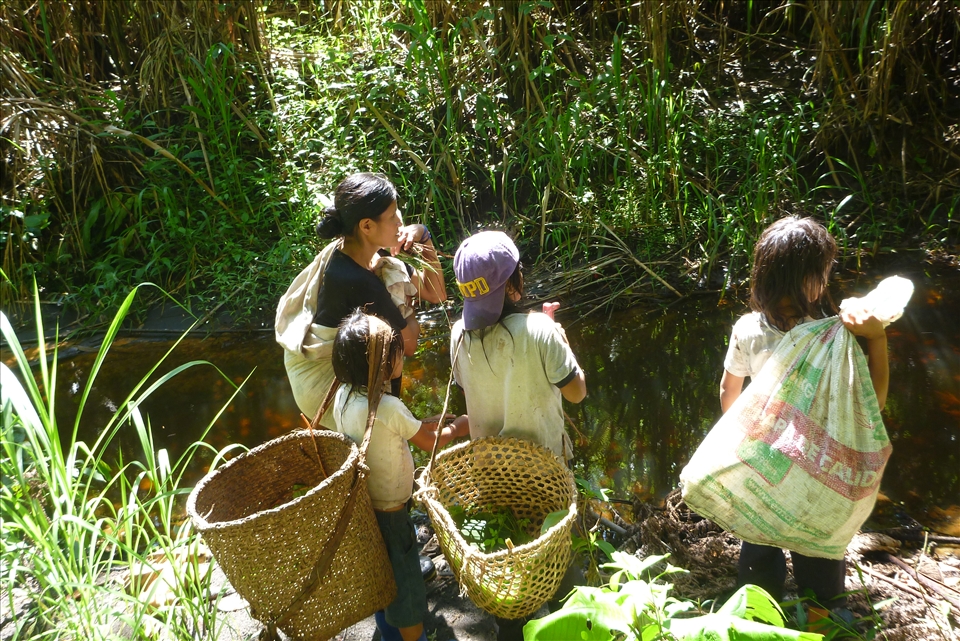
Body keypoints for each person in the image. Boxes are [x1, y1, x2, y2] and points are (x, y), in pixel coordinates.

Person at [718, 216, 890, 621]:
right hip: (816, 463)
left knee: (758, 542)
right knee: (817, 547)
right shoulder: (833, 336)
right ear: (812, 281)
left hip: (762, 460)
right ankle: (822, 616)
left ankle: (760, 616)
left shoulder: (747, 329)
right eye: (824, 273)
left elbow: (729, 392)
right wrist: (878, 338)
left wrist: (743, 438)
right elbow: (873, 406)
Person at [449, 230, 587, 640]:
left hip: (493, 479)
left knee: (511, 579)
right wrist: (558, 335)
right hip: (547, 477)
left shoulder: (458, 334)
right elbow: (576, 392)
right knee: (560, 568)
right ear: (515, 284)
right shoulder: (539, 331)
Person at [332, 309, 469, 641]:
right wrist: (458, 427)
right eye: (395, 350)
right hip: (393, 517)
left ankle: (389, 634)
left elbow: (397, 430)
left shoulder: (343, 396)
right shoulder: (388, 407)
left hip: (366, 511)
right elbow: (428, 442)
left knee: (381, 579)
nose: (401, 355)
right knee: (405, 591)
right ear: (382, 364)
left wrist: (432, 418)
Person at [275, 172, 446, 428]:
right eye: (392, 217)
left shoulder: (359, 252)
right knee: (392, 353)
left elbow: (436, 293)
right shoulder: (356, 278)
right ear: (366, 226)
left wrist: (423, 235)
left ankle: (402, 421)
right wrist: (405, 309)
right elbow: (408, 346)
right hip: (321, 385)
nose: (400, 222)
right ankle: (401, 426)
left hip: (335, 362)